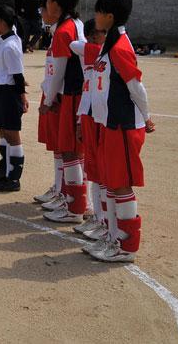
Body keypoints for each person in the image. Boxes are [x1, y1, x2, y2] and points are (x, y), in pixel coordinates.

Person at [84, 0, 154, 263]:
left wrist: (146, 116)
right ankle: (113, 236)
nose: (95, 16)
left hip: (123, 124)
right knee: (111, 183)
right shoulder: (109, 44)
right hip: (109, 123)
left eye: (98, 11)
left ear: (109, 16)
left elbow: (136, 86)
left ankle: (126, 246)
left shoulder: (119, 47)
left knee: (121, 184)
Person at [38, 0, 88, 224]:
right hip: (77, 93)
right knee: (73, 151)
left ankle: (74, 207)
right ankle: (72, 200)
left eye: (48, 1)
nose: (45, 6)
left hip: (69, 95)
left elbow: (58, 72)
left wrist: (48, 99)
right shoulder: (75, 24)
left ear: (57, 5)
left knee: (69, 151)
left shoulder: (63, 31)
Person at [0, 5, 28, 192]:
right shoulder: (3, 40)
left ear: (1, 22)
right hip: (0, 90)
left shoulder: (10, 45)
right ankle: (7, 170)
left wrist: (22, 98)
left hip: (8, 93)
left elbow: (17, 76)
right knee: (4, 131)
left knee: (12, 134)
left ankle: (13, 178)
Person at [69, 19, 107, 238]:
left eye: (100, 33)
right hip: (88, 110)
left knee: (101, 170)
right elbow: (75, 44)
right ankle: (95, 214)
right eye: (92, 34)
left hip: (101, 114)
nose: (96, 38)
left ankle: (103, 220)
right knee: (92, 169)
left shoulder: (107, 53)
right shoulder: (93, 51)